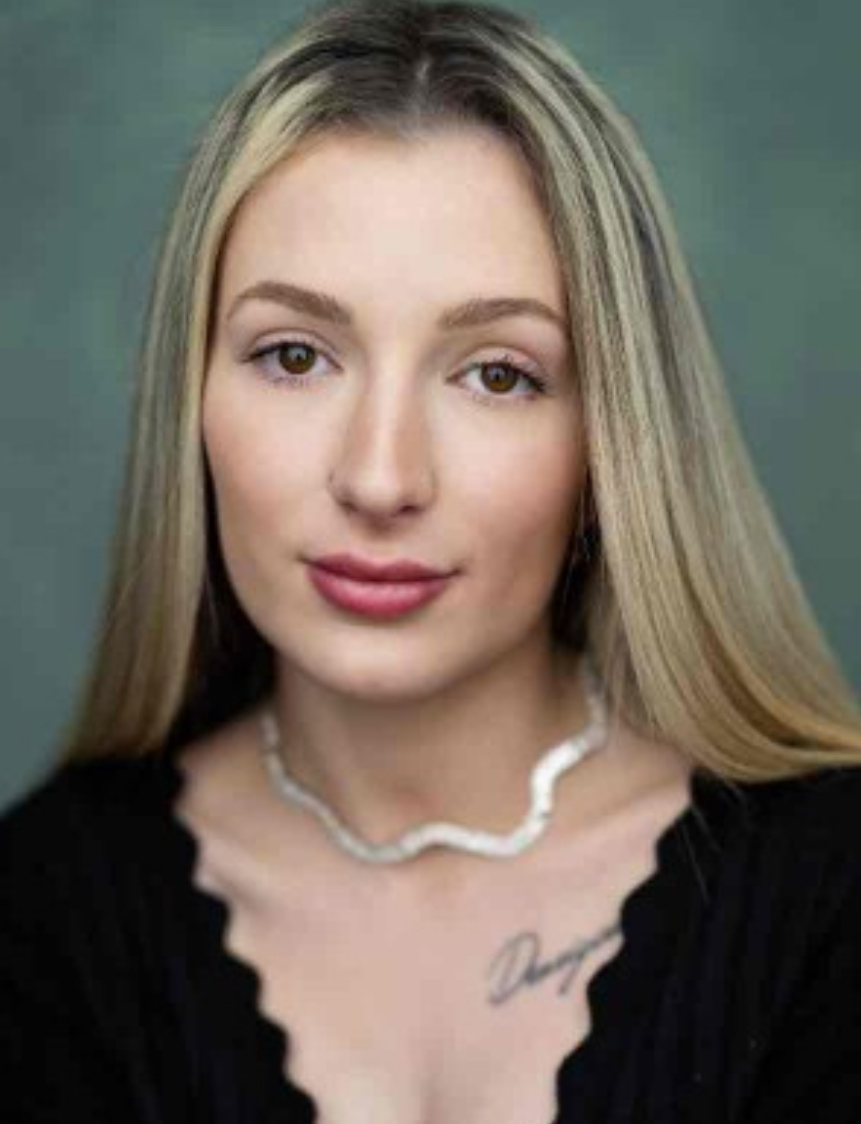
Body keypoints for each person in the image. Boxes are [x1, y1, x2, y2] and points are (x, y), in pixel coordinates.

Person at [2, 0, 861, 1120]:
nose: (380, 476)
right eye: (295, 355)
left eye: (497, 373)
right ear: (191, 400)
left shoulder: (831, 895)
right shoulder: (45, 917)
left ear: (612, 439)